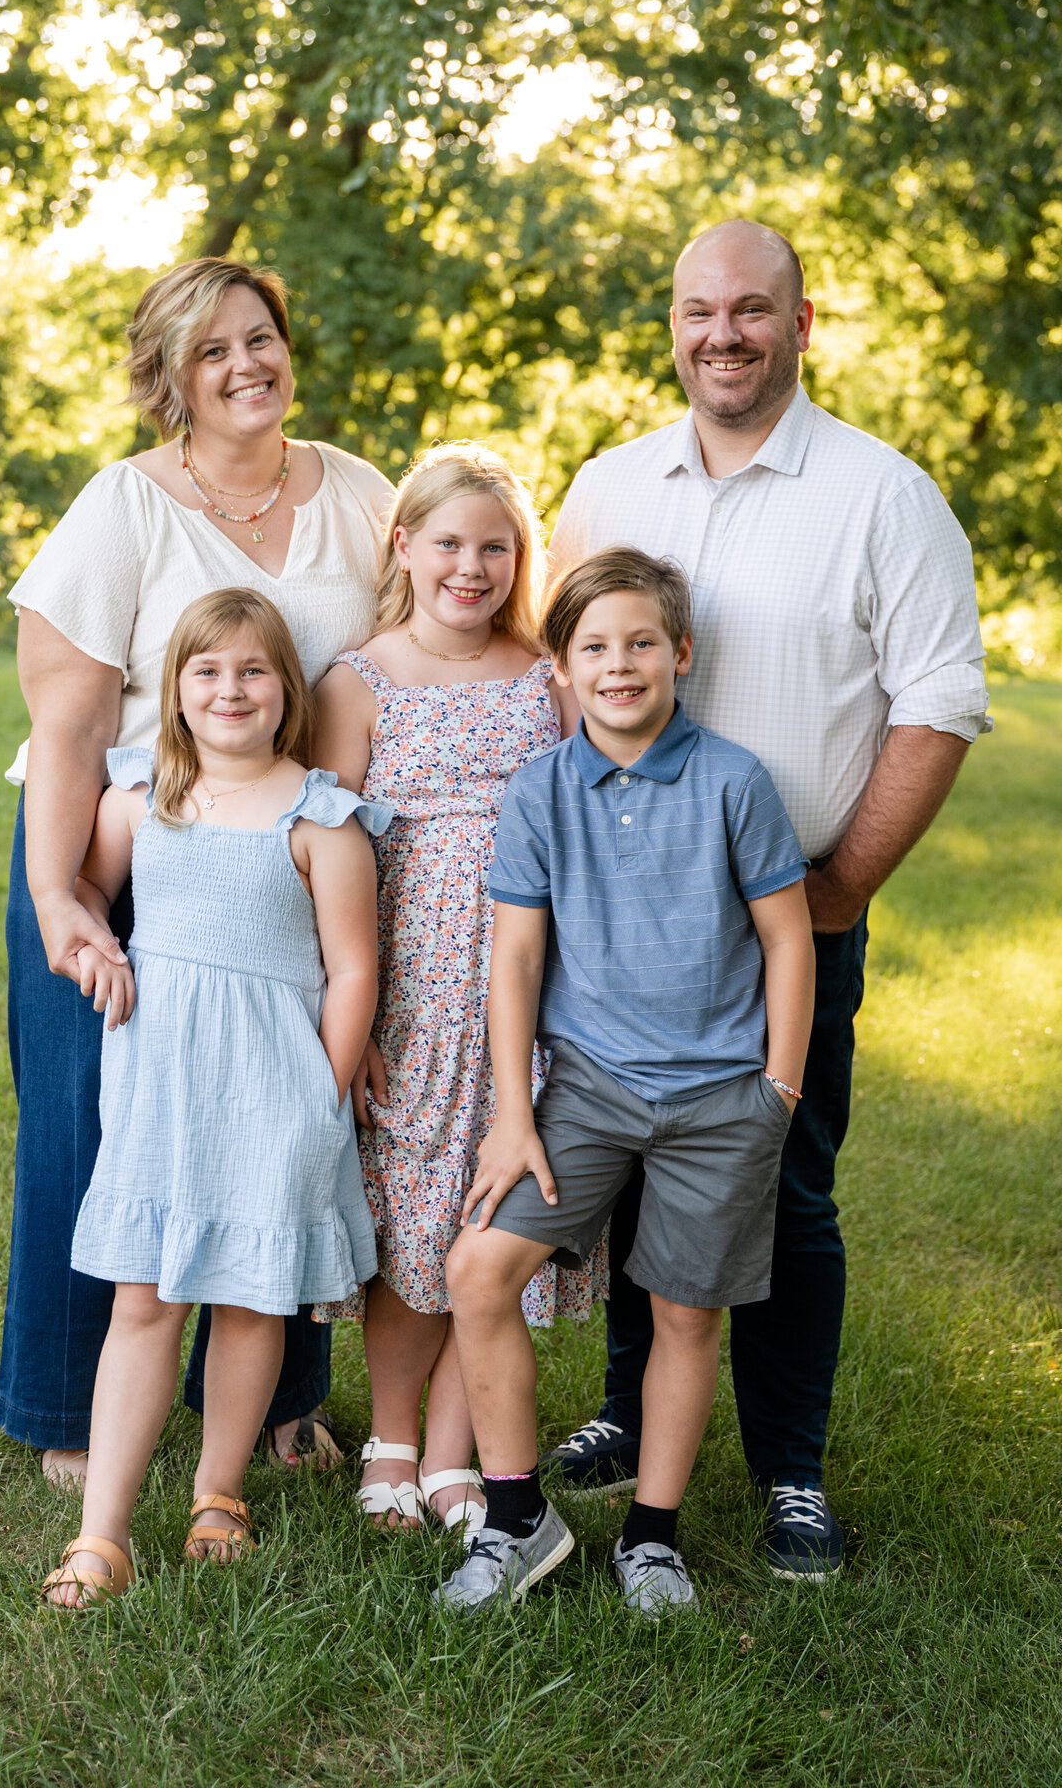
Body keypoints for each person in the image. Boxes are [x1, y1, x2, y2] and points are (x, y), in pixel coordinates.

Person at [543, 220, 990, 1578]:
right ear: (669, 323)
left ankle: (790, 1469)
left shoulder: (882, 494)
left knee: (787, 1185)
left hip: (789, 924)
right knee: (619, 1176)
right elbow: (553, 679)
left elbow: (940, 701)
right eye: (698, 310)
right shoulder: (611, 487)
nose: (722, 333)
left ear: (804, 321)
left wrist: (844, 884)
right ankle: (625, 1411)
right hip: (616, 926)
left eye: (751, 309)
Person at [0, 257, 393, 1487]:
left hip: (292, 855)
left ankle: (278, 1405)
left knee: (284, 1120)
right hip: (124, 847)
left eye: (262, 336)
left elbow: (416, 647)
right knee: (92, 1128)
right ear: (171, 374)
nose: (246, 364)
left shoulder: (360, 494)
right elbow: (67, 726)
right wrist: (64, 895)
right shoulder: (123, 506)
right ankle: (72, 1409)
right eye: (214, 347)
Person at [435, 549, 815, 1616]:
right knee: (478, 1272)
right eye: (593, 647)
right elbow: (513, 960)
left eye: (641, 643)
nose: (619, 664)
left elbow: (790, 942)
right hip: (589, 1090)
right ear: (560, 668)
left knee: (685, 1316)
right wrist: (515, 1112)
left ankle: (652, 1539)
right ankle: (517, 1519)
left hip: (720, 1101)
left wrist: (776, 1092)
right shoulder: (542, 788)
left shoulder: (734, 781)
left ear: (680, 656)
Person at [42, 588, 387, 1607]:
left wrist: (321, 1097)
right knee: (145, 1299)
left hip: (278, 1093)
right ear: (176, 690)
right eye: (207, 671)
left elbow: (355, 970)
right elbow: (93, 890)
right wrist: (96, 943)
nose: (229, 689)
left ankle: (218, 1492)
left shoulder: (322, 819)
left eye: (252, 671)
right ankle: (102, 1532)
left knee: (247, 1300)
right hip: (163, 1087)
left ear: (287, 690)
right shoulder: (140, 797)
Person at [312, 443, 603, 1537]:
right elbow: (325, 845)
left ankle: (453, 1449)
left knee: (489, 1213)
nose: (471, 566)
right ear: (404, 546)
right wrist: (350, 1010)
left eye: (496, 546)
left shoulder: (545, 677)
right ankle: (391, 1435)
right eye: (448, 542)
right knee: (408, 1212)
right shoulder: (358, 677)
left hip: (530, 989)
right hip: (406, 993)